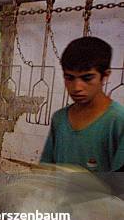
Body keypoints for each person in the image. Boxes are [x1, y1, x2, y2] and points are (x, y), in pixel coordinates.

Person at [40, 36, 124, 171]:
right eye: (69, 78)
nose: (77, 87)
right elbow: (45, 169)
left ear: (105, 76)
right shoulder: (60, 119)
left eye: (87, 78)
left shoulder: (118, 121)